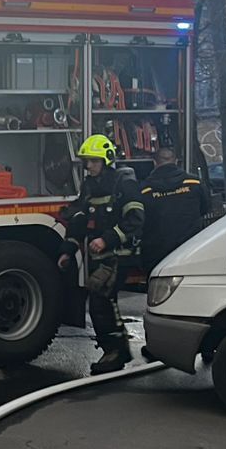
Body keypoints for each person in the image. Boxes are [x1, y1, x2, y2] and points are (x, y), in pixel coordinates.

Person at [59, 135, 145, 375]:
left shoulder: (123, 184)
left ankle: (114, 352)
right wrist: (69, 249)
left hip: (119, 253)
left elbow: (135, 220)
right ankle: (118, 347)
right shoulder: (90, 186)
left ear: (106, 160)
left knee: (100, 297)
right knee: (105, 300)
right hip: (101, 255)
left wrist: (106, 239)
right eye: (87, 162)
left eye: (93, 161)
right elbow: (79, 218)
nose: (88, 166)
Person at [139, 147, 212, 275]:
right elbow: (206, 208)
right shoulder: (194, 183)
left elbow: (140, 219)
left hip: (156, 253)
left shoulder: (145, 189)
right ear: (176, 161)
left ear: (155, 163)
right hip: (189, 250)